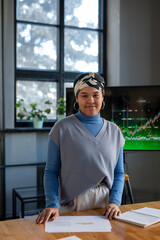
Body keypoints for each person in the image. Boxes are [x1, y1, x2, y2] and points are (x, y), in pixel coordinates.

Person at [36, 72, 125, 224]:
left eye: (96, 95)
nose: (90, 100)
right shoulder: (62, 128)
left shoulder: (115, 131)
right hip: (72, 204)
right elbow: (50, 171)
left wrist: (114, 202)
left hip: (105, 205)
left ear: (102, 97)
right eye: (84, 95)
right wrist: (52, 204)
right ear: (77, 99)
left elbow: (119, 173)